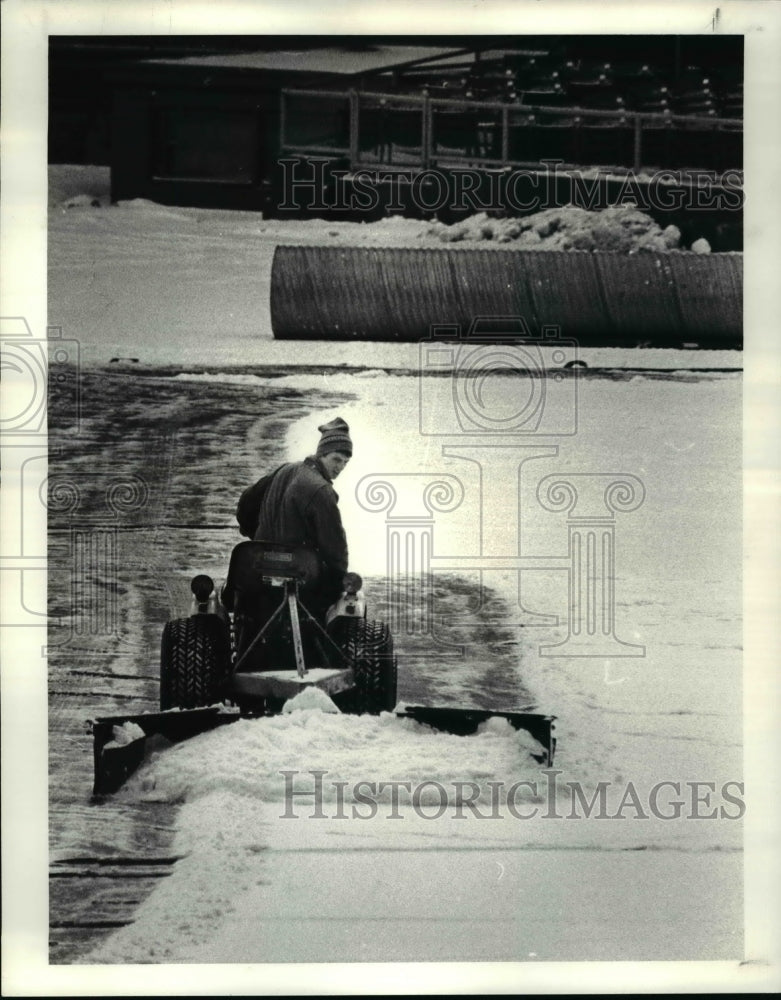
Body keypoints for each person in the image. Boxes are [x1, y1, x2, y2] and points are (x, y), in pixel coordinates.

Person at [235, 416, 352, 621]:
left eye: (345, 462)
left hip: (258, 567)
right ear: (322, 453)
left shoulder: (285, 470)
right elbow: (335, 549)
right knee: (347, 598)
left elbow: (246, 503)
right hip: (300, 579)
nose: (340, 467)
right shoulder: (322, 491)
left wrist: (255, 536)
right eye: (336, 459)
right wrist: (338, 582)